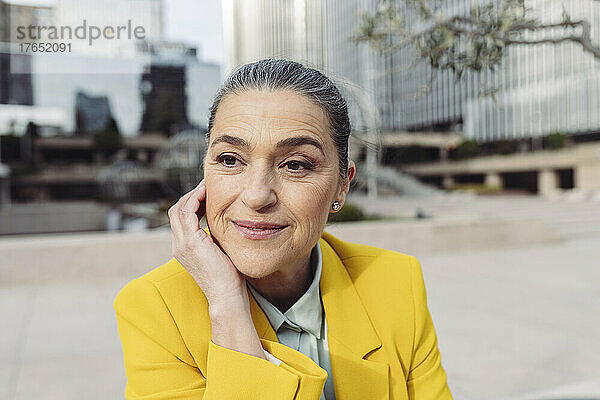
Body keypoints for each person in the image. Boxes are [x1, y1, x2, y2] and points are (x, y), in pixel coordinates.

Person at [114, 59, 452, 400]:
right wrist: (227, 306)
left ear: (341, 187)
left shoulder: (396, 282)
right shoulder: (154, 308)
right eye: (230, 160)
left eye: (295, 164)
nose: (257, 195)